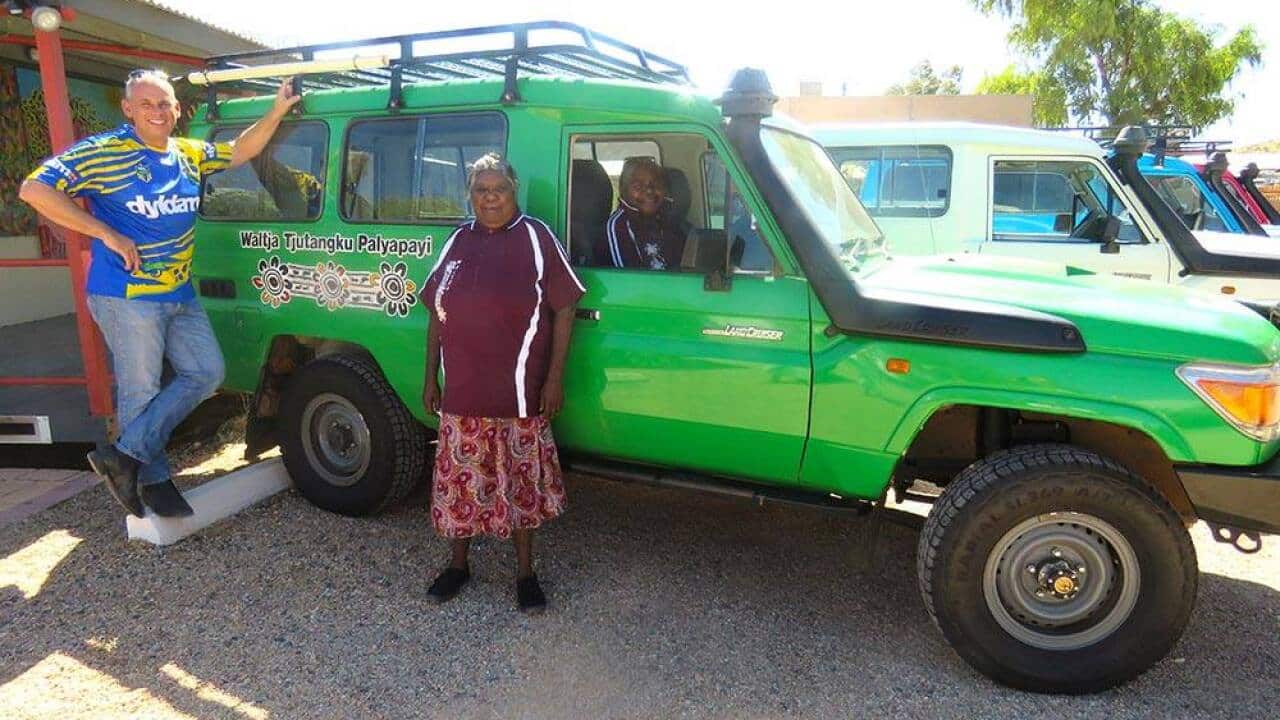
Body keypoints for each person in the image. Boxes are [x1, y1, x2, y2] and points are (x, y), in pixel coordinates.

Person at [19, 69, 300, 518]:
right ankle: (151, 482)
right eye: (146, 104)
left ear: (177, 109)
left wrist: (277, 109)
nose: (157, 111)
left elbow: (240, 150)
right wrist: (105, 232)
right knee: (142, 389)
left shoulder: (188, 153)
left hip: (178, 291)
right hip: (127, 295)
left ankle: (123, 457)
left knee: (207, 372)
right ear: (128, 109)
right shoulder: (104, 152)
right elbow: (34, 189)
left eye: (165, 103)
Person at [419, 153, 585, 613]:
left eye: (499, 189)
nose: (490, 198)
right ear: (470, 196)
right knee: (461, 484)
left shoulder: (536, 237)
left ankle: (526, 575)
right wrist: (429, 376)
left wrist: (554, 379)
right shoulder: (457, 240)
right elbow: (436, 313)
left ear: (514, 192)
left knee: (521, 488)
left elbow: (566, 307)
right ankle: (458, 565)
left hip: (519, 395)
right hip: (463, 393)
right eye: (481, 190)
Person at [605, 156, 687, 270]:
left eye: (656, 184)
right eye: (638, 186)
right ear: (623, 190)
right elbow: (629, 276)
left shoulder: (671, 221)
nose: (649, 190)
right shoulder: (618, 224)